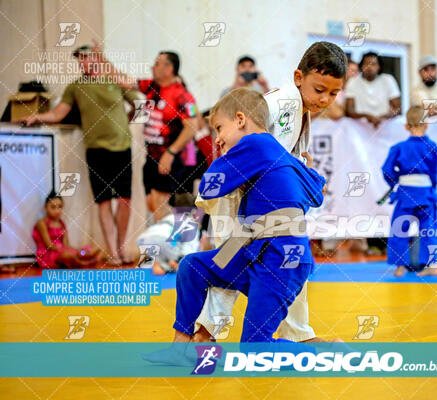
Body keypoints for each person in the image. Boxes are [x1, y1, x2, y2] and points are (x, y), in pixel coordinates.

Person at [144, 88, 326, 361]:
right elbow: (316, 193)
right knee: (192, 267)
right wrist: (306, 168)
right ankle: (180, 347)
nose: (217, 138)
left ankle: (323, 352)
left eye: (219, 128)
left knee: (254, 351)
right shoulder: (281, 155)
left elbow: (209, 185)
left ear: (240, 119)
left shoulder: (255, 144)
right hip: (261, 253)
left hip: (281, 260)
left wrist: (227, 160)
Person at [194, 41, 346, 344]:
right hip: (239, 195)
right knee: (231, 261)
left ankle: (298, 333)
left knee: (289, 258)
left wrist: (301, 165)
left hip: (262, 199)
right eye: (319, 90)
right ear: (298, 77)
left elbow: (277, 155)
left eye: (333, 93)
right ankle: (204, 332)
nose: (326, 99)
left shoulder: (298, 107)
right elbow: (242, 139)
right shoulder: (283, 104)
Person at [22, 45, 137, 265]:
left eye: (87, 57)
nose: (83, 62)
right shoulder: (76, 86)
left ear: (97, 58)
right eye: (80, 59)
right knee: (103, 201)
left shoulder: (113, 79)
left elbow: (136, 94)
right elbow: (59, 113)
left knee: (125, 200)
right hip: (95, 149)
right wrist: (37, 117)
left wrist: (126, 121)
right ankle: (112, 251)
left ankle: (122, 248)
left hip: (122, 146)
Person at [99, 49, 199, 221]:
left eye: (157, 63)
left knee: (163, 207)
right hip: (151, 157)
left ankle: (170, 245)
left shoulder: (183, 96)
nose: (152, 67)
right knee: (152, 204)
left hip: (170, 159)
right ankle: (161, 241)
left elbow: (192, 127)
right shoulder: (153, 86)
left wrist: (170, 153)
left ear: (169, 68)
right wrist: (102, 61)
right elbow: (124, 81)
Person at [381, 105, 437, 277]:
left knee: (400, 229)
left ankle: (400, 267)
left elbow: (387, 170)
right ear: (427, 125)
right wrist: (432, 187)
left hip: (406, 193)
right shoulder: (432, 146)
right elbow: (434, 171)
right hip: (426, 193)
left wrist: (395, 181)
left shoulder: (399, 148)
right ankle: (433, 265)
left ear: (406, 126)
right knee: (430, 229)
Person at [33, 191, 102, 269]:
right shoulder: (42, 223)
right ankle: (83, 263)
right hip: (48, 254)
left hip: (62, 251)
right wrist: (64, 250)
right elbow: (49, 245)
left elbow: (66, 245)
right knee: (68, 255)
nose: (57, 211)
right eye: (53, 207)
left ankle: (84, 255)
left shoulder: (62, 224)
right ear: (45, 207)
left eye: (60, 207)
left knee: (80, 252)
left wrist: (76, 250)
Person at [345, 51, 401, 128]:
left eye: (373, 64)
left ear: (379, 66)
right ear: (361, 66)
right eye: (366, 64)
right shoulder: (353, 82)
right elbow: (349, 110)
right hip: (359, 128)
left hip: (385, 126)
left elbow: (397, 108)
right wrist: (366, 116)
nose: (370, 67)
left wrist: (382, 118)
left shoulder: (388, 80)